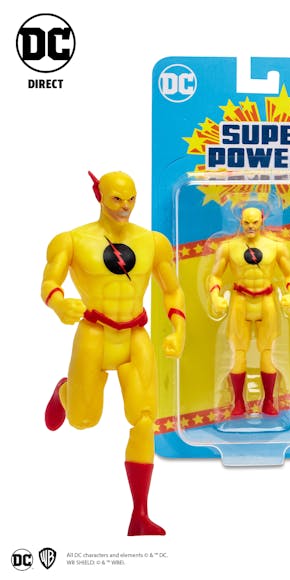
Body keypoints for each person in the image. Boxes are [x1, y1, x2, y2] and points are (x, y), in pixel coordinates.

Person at [42, 171, 186, 535]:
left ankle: (140, 514)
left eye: (131, 199)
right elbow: (49, 282)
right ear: (99, 196)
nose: (125, 207)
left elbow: (172, 289)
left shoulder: (152, 242)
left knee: (145, 420)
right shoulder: (72, 240)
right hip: (94, 334)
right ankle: (65, 391)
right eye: (117, 199)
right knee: (83, 419)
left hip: (135, 336)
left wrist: (179, 328)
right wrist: (59, 304)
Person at [208, 207, 290, 416]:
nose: (250, 226)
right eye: (247, 222)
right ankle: (238, 402)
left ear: (262, 221)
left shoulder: (276, 246)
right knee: (238, 352)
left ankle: (269, 401)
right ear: (240, 221)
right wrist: (215, 297)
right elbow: (215, 276)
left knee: (267, 352)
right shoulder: (228, 247)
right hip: (240, 300)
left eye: (254, 222)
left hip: (266, 300)